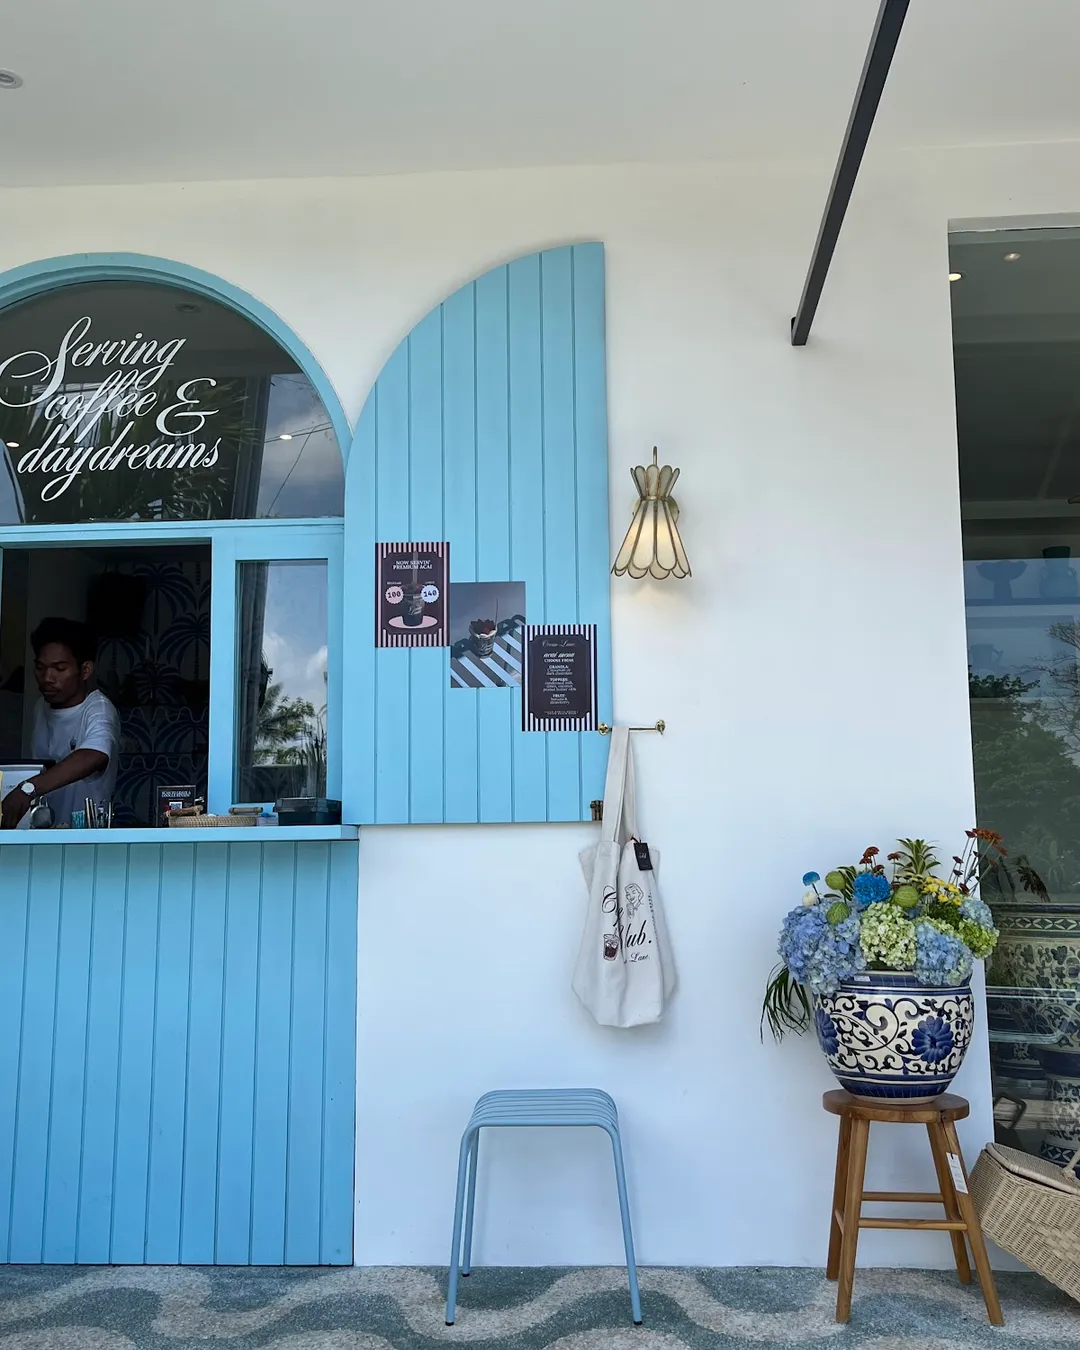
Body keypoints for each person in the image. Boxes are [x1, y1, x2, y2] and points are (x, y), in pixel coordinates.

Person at [0, 618, 120, 829]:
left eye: (60, 668)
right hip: (43, 835)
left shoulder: (98, 708)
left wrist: (28, 789)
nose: (47, 677)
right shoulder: (40, 707)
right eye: (40, 667)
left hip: (81, 839)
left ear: (85, 670)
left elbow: (94, 754)